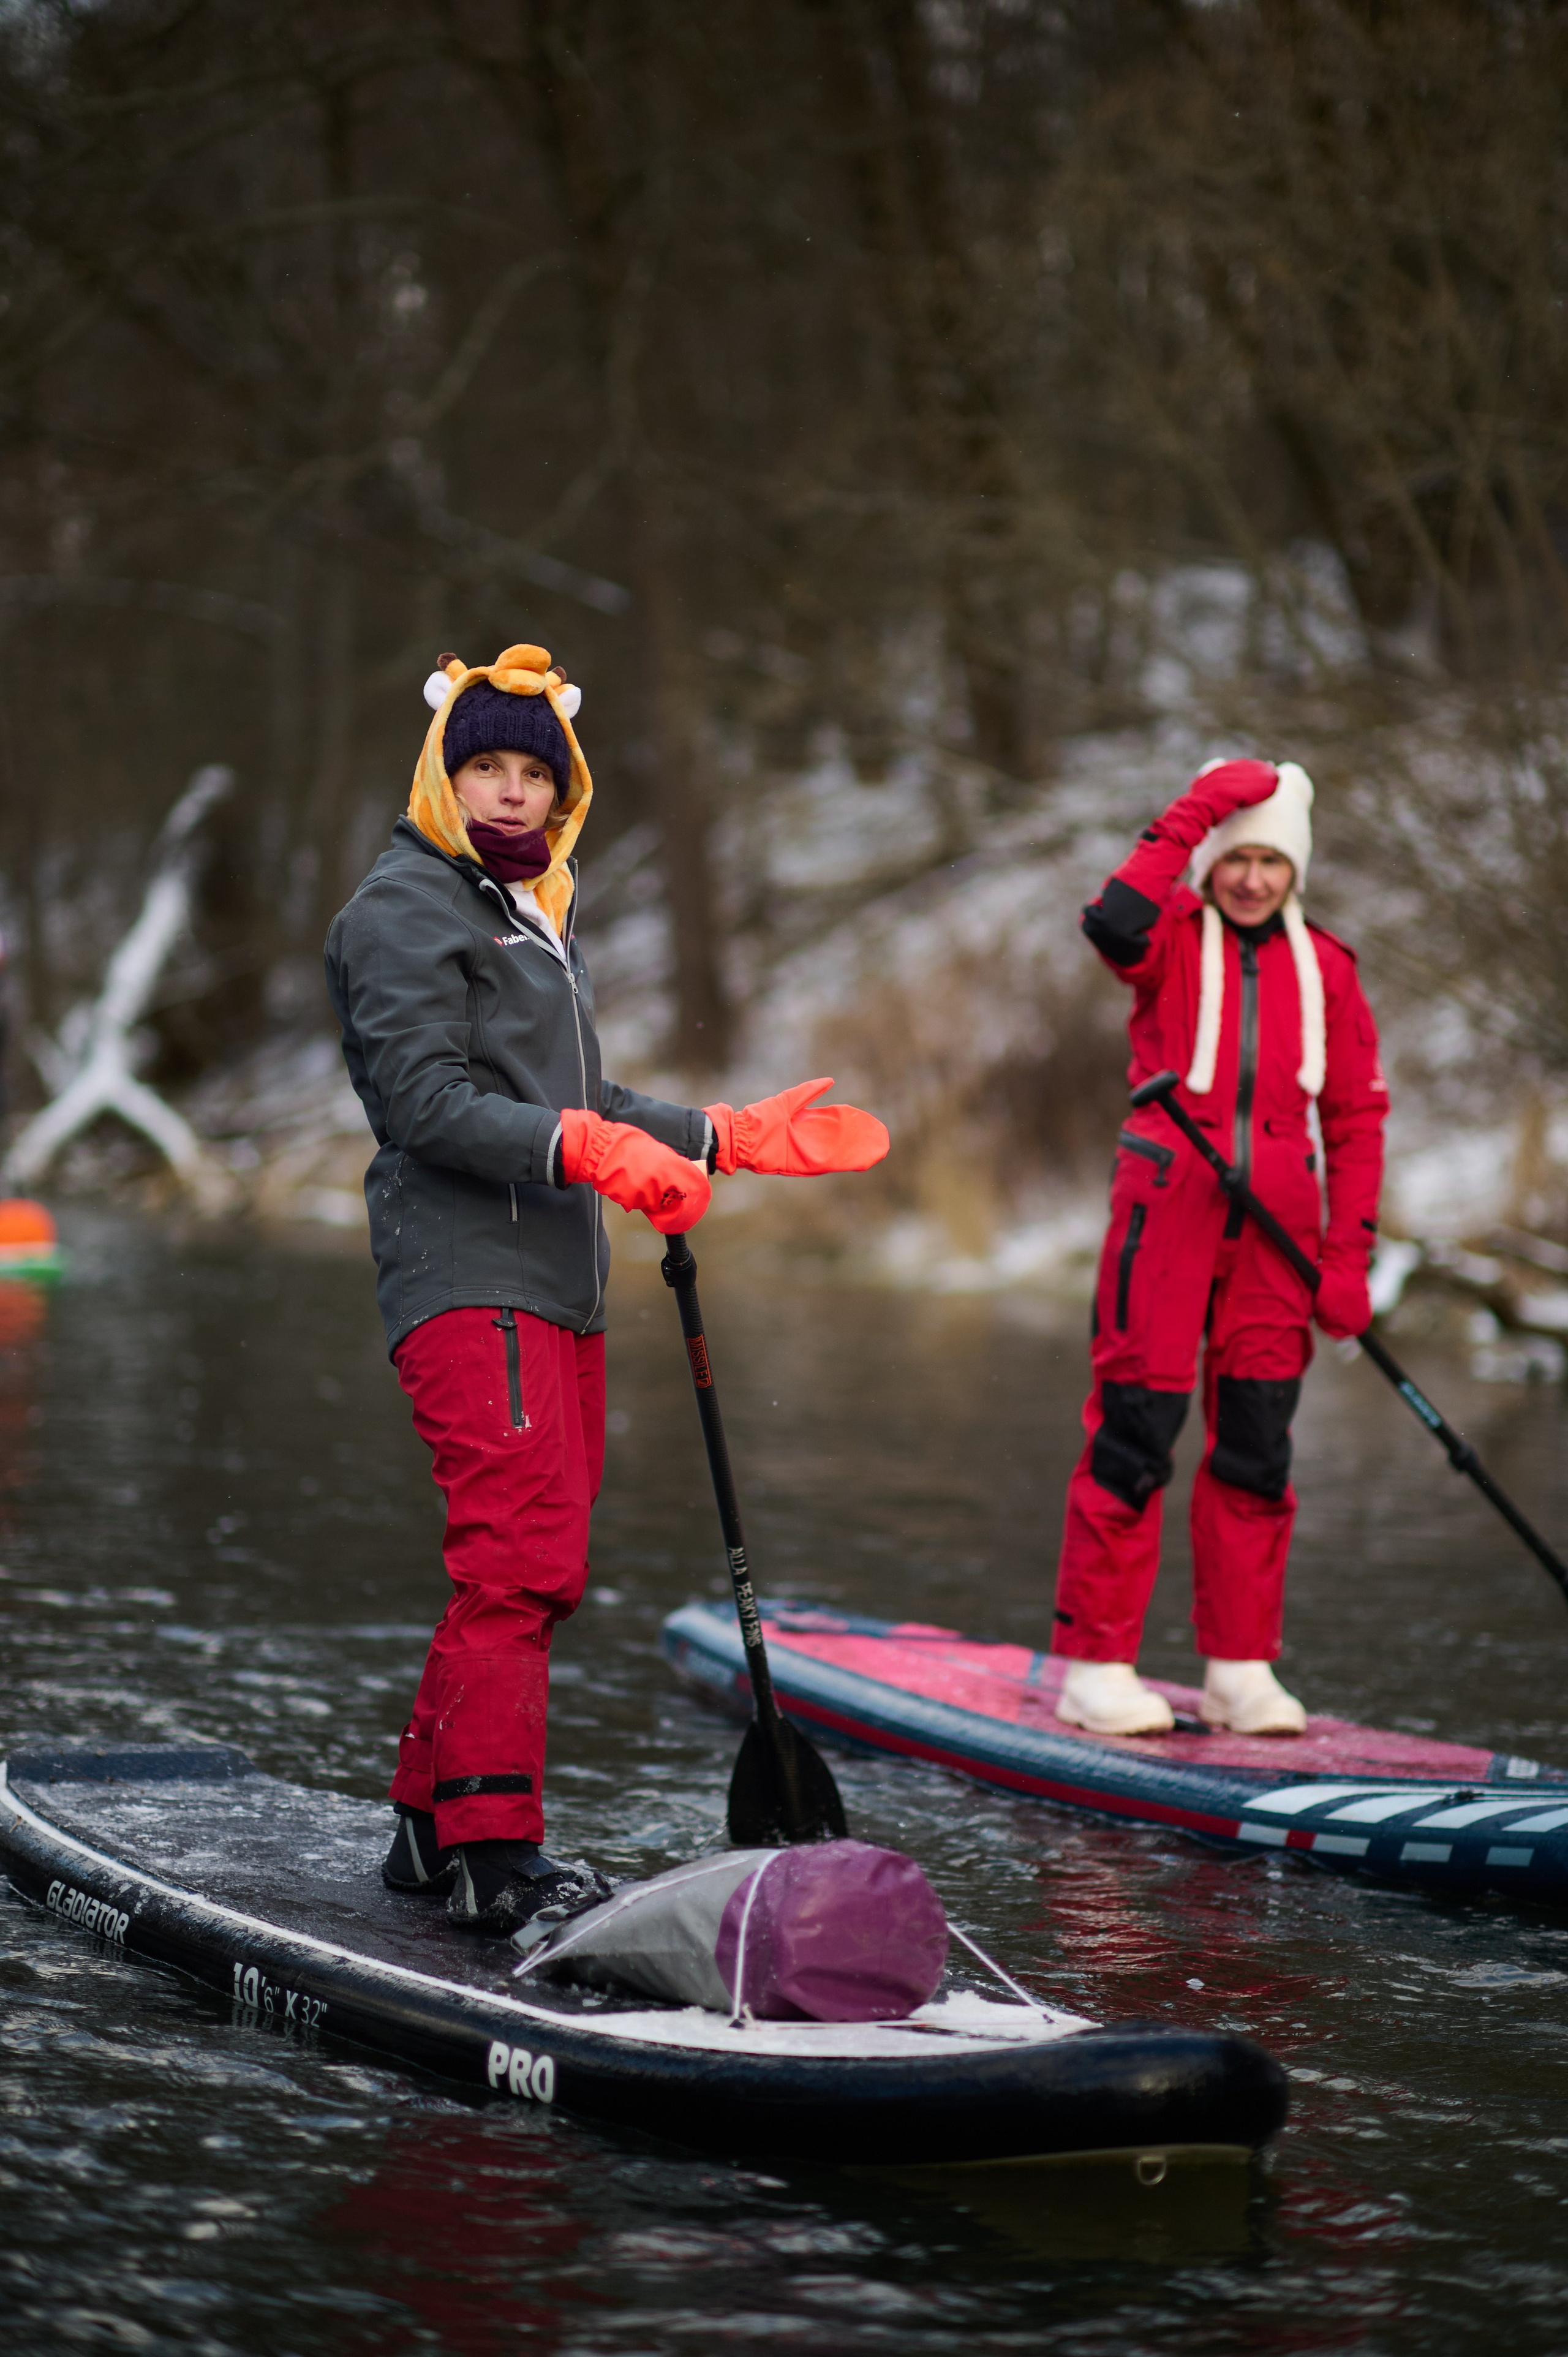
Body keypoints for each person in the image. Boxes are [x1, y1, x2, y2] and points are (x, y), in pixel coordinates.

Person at [325, 644, 888, 1933]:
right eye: (485, 767)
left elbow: (573, 1098)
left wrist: (717, 1135)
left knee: (536, 1566)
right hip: (471, 1279)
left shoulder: (532, 910)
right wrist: (586, 1147)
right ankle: (492, 1852)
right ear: (442, 776)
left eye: (534, 773)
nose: (511, 791)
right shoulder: (404, 907)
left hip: (556, 1288)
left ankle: (428, 1829)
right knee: (517, 1565)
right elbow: (423, 1105)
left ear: (561, 790)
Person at [1050, 758, 1386, 1737]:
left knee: (1257, 1447)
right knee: (1135, 1436)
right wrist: (1195, 813)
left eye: (1271, 862)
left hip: (1280, 1239)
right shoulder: (1168, 938)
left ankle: (1240, 1669)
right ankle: (1097, 1667)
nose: (1251, 879)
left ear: (1296, 870)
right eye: (1236, 859)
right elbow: (1111, 919)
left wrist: (1349, 1258)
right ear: (1210, 863)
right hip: (1166, 1218)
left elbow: (1357, 1120)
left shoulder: (1329, 969)